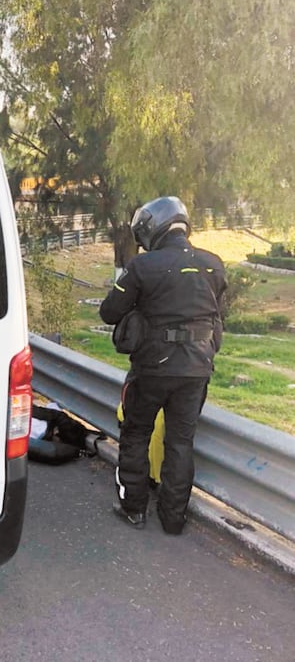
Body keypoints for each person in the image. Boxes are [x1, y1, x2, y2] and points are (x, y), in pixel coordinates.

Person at [99, 196, 226, 534]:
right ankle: (173, 520)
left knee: (136, 432)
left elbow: (109, 312)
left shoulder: (143, 266)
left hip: (152, 367)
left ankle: (134, 508)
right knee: (181, 441)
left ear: (153, 228)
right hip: (197, 367)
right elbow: (216, 314)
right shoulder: (214, 264)